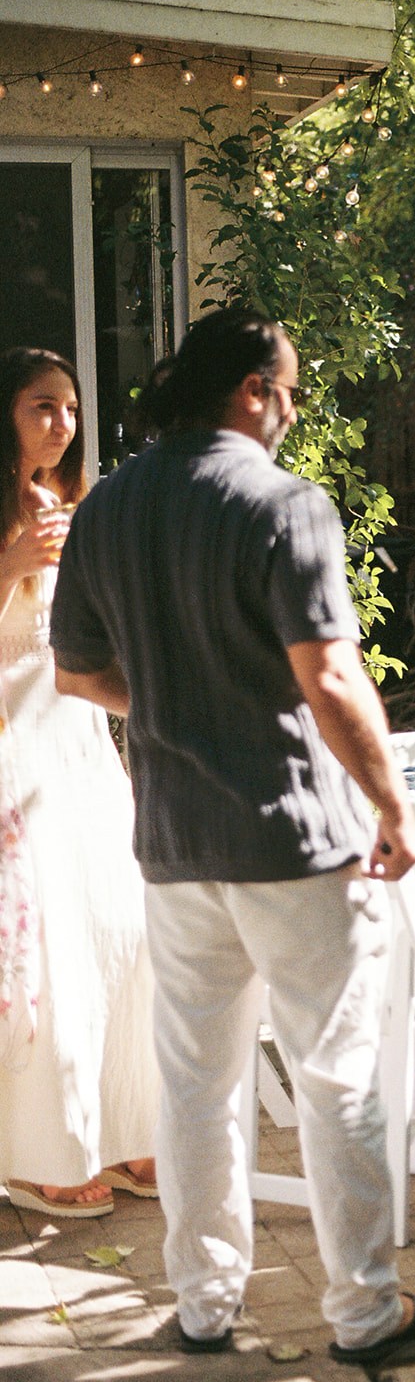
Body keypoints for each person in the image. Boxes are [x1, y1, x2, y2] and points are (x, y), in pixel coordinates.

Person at [50, 310, 415, 1360]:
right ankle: (364, 1309)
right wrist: (395, 806)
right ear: (248, 392)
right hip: (293, 835)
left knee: (196, 1081)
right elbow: (328, 677)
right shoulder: (283, 503)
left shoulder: (109, 506)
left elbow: (77, 673)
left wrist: (171, 706)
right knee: (338, 1071)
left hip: (175, 839)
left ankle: (202, 1303)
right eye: (288, 391)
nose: (291, 410)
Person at [0, 347, 158, 1218]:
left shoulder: (79, 502)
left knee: (118, 923)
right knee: (50, 940)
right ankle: (40, 1149)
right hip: (11, 745)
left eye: (68, 408)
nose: (60, 423)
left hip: (81, 738)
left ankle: (132, 1128)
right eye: (39, 406)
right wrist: (15, 557)